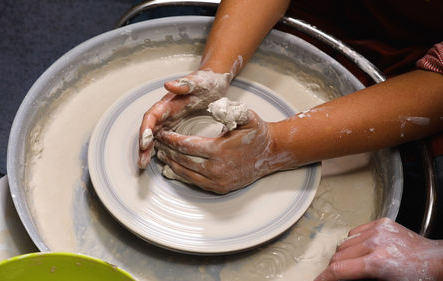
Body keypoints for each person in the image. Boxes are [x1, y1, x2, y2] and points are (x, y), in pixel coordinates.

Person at [137, 0, 443, 280]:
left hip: (409, 81)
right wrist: (215, 71)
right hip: (309, 16)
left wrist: (273, 147)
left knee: (411, 207)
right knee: (153, 22)